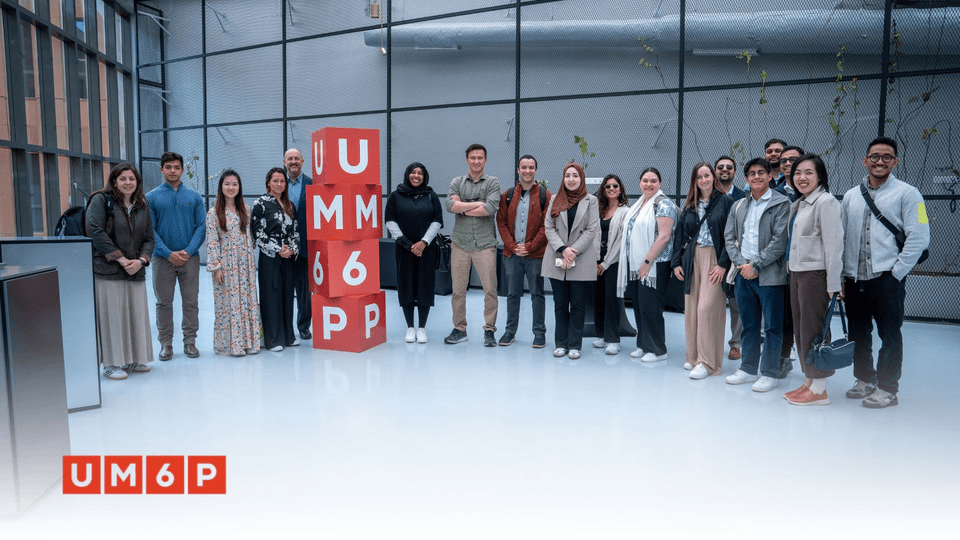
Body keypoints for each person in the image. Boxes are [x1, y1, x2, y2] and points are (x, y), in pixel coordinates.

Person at [840, 136, 930, 408]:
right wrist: (843, 275)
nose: (880, 161)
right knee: (858, 333)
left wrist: (897, 273)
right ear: (865, 160)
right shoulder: (850, 196)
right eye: (875, 156)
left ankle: (888, 388)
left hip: (887, 278)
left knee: (890, 334)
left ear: (896, 161)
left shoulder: (910, 194)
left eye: (887, 157)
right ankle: (865, 379)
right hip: (855, 278)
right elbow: (843, 236)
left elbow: (920, 237)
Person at [723, 158, 790, 392]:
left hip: (770, 275)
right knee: (749, 324)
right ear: (747, 178)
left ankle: (770, 372)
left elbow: (779, 242)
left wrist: (756, 265)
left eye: (762, 172)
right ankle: (748, 369)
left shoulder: (782, 203)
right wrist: (742, 265)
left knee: (772, 326)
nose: (757, 177)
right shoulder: (739, 205)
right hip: (743, 274)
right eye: (752, 173)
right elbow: (729, 238)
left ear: (770, 176)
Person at [783, 154, 844, 405]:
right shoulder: (801, 203)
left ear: (820, 176)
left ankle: (819, 390)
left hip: (815, 276)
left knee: (815, 330)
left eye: (808, 172)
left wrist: (833, 285)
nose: (802, 177)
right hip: (797, 273)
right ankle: (809, 380)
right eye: (798, 173)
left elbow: (834, 246)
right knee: (802, 329)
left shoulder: (826, 203)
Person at [86, 163, 155, 380]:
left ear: (137, 182)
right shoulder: (100, 200)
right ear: (114, 181)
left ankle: (134, 358)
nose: (128, 183)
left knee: (135, 315)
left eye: (132, 179)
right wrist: (122, 259)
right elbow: (94, 231)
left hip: (135, 269)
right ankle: (112, 363)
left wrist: (141, 261)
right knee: (112, 317)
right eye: (123, 179)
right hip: (108, 269)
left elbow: (149, 238)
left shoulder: (142, 204)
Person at [672, 162, 734, 379]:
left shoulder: (726, 202)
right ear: (694, 180)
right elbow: (679, 234)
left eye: (707, 175)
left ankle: (708, 363)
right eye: (699, 177)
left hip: (715, 258)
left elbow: (732, 236)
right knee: (691, 309)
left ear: (713, 177)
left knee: (707, 309)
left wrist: (723, 264)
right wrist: (676, 262)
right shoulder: (690, 204)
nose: (704, 180)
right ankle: (693, 357)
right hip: (692, 258)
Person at [146, 152, 206, 361]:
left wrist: (188, 251)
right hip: (162, 259)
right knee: (163, 303)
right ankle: (166, 344)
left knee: (191, 302)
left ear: (182, 170)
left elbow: (201, 228)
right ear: (162, 169)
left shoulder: (194, 197)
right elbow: (149, 230)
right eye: (168, 167)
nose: (173, 170)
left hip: (190, 258)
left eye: (177, 167)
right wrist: (168, 253)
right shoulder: (151, 198)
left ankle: (190, 342)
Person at [616, 167, 677, 362]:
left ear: (659, 183)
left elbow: (664, 236)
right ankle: (644, 344)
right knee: (640, 306)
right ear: (640, 182)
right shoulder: (640, 203)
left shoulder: (664, 204)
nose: (648, 184)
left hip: (654, 265)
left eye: (653, 181)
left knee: (652, 307)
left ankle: (658, 349)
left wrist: (647, 261)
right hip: (636, 264)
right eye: (645, 180)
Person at [444, 143, 501, 347]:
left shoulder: (493, 182)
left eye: (480, 158)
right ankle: (459, 329)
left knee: (489, 289)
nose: (476, 161)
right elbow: (450, 205)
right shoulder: (457, 181)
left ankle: (489, 330)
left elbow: (491, 208)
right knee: (458, 290)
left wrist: (463, 207)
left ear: (485, 160)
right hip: (460, 242)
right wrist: (477, 203)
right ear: (467, 160)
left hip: (485, 243)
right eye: (473, 158)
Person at [541, 162, 599, 360]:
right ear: (563, 178)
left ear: (581, 178)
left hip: (580, 259)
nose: (571, 179)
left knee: (578, 304)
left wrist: (572, 252)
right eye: (568, 176)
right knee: (559, 303)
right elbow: (549, 226)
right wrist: (562, 249)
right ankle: (561, 343)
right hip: (558, 257)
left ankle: (575, 344)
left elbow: (592, 229)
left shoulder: (591, 200)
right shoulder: (556, 199)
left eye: (575, 175)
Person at [496, 154, 551, 348]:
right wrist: (512, 246)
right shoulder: (508, 194)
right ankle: (510, 331)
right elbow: (501, 222)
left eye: (531, 167)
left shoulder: (545, 195)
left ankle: (539, 333)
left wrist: (529, 247)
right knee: (512, 294)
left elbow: (547, 226)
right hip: (512, 255)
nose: (527, 171)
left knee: (537, 294)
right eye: (524, 167)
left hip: (535, 254)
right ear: (518, 170)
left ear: (536, 170)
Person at [385, 162, 444, 343]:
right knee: (406, 285)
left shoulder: (431, 195)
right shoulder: (396, 196)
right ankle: (410, 327)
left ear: (424, 176)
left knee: (425, 286)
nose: (416, 176)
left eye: (420, 173)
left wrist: (423, 242)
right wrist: (409, 244)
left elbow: (437, 220)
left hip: (426, 250)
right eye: (413, 172)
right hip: (404, 250)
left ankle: (422, 328)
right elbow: (390, 220)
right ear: (407, 174)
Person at [205, 169, 261, 357]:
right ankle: (230, 345)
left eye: (234, 184)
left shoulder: (245, 209)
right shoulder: (213, 213)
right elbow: (212, 241)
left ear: (239, 187)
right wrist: (216, 267)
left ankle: (248, 343)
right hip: (226, 265)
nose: (231, 187)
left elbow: (249, 237)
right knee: (228, 304)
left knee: (247, 302)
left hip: (245, 264)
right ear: (221, 187)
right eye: (227, 184)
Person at [252, 167, 300, 352]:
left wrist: (291, 249)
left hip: (288, 258)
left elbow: (296, 231)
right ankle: (272, 339)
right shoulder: (260, 204)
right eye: (275, 181)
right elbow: (257, 233)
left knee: (287, 295)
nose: (279, 184)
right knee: (271, 296)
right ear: (268, 183)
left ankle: (288, 335)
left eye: (282, 181)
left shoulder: (290, 205)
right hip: (270, 258)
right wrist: (278, 248)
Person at [774, 145, 805, 379]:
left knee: (808, 317)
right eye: (783, 160)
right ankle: (783, 357)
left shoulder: (813, 192)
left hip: (807, 267)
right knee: (784, 315)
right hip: (780, 264)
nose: (786, 163)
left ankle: (815, 368)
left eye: (792, 160)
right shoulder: (773, 190)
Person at [592, 174, 630, 355]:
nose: (611, 188)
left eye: (615, 185)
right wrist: (595, 261)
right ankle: (601, 335)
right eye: (608, 186)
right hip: (595, 261)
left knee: (612, 300)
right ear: (603, 190)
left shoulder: (625, 212)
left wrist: (606, 263)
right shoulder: (599, 210)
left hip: (613, 263)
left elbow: (621, 241)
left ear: (620, 188)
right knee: (598, 298)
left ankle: (613, 339)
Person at [715, 155, 746, 361]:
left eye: (729, 167)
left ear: (735, 172)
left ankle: (736, 344)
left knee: (736, 304)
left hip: (736, 258)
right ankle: (712, 344)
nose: (724, 170)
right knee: (712, 303)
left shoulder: (744, 197)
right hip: (712, 257)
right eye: (720, 167)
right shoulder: (710, 196)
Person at [284, 148, 313, 340]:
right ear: (285, 162)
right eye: (290, 159)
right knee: (284, 290)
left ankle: (303, 326)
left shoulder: (313, 184)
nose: (293, 161)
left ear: (302, 161)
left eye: (296, 158)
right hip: (282, 248)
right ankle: (285, 328)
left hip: (304, 247)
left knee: (304, 291)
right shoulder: (278, 183)